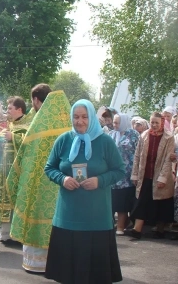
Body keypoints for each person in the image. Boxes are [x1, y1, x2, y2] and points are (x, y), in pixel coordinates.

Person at [45, 99, 125, 284]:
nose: (79, 121)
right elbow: (50, 168)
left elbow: (119, 170)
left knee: (95, 276)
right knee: (67, 274)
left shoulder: (104, 141)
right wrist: (62, 179)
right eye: (76, 117)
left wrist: (100, 180)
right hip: (68, 216)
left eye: (84, 117)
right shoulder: (64, 140)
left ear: (91, 118)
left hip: (96, 217)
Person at [7, 90, 71, 273]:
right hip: (64, 183)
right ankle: (61, 263)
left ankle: (37, 263)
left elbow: (25, 156)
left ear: (35, 100)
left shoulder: (38, 124)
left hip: (38, 182)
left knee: (37, 213)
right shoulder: (69, 123)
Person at [129, 112, 175, 239]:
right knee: (141, 201)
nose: (154, 125)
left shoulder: (168, 137)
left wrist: (163, 178)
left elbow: (167, 159)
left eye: (157, 122)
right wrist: (135, 175)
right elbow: (137, 156)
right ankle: (137, 229)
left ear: (162, 122)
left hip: (159, 173)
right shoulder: (144, 135)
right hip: (145, 173)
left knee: (161, 202)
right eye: (152, 122)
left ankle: (160, 229)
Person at [0, 96, 35, 243]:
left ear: (19, 109)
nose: (8, 111)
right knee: (4, 198)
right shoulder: (11, 125)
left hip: (18, 170)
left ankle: (16, 235)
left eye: (10, 108)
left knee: (16, 200)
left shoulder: (28, 125)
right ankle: (5, 233)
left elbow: (29, 145)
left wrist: (12, 136)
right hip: (5, 168)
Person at [109, 114, 139, 235]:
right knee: (113, 201)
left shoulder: (133, 134)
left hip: (127, 174)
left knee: (123, 202)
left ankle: (121, 227)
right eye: (114, 122)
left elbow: (138, 154)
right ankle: (110, 226)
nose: (114, 125)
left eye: (117, 123)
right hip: (112, 174)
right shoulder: (111, 134)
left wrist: (136, 173)